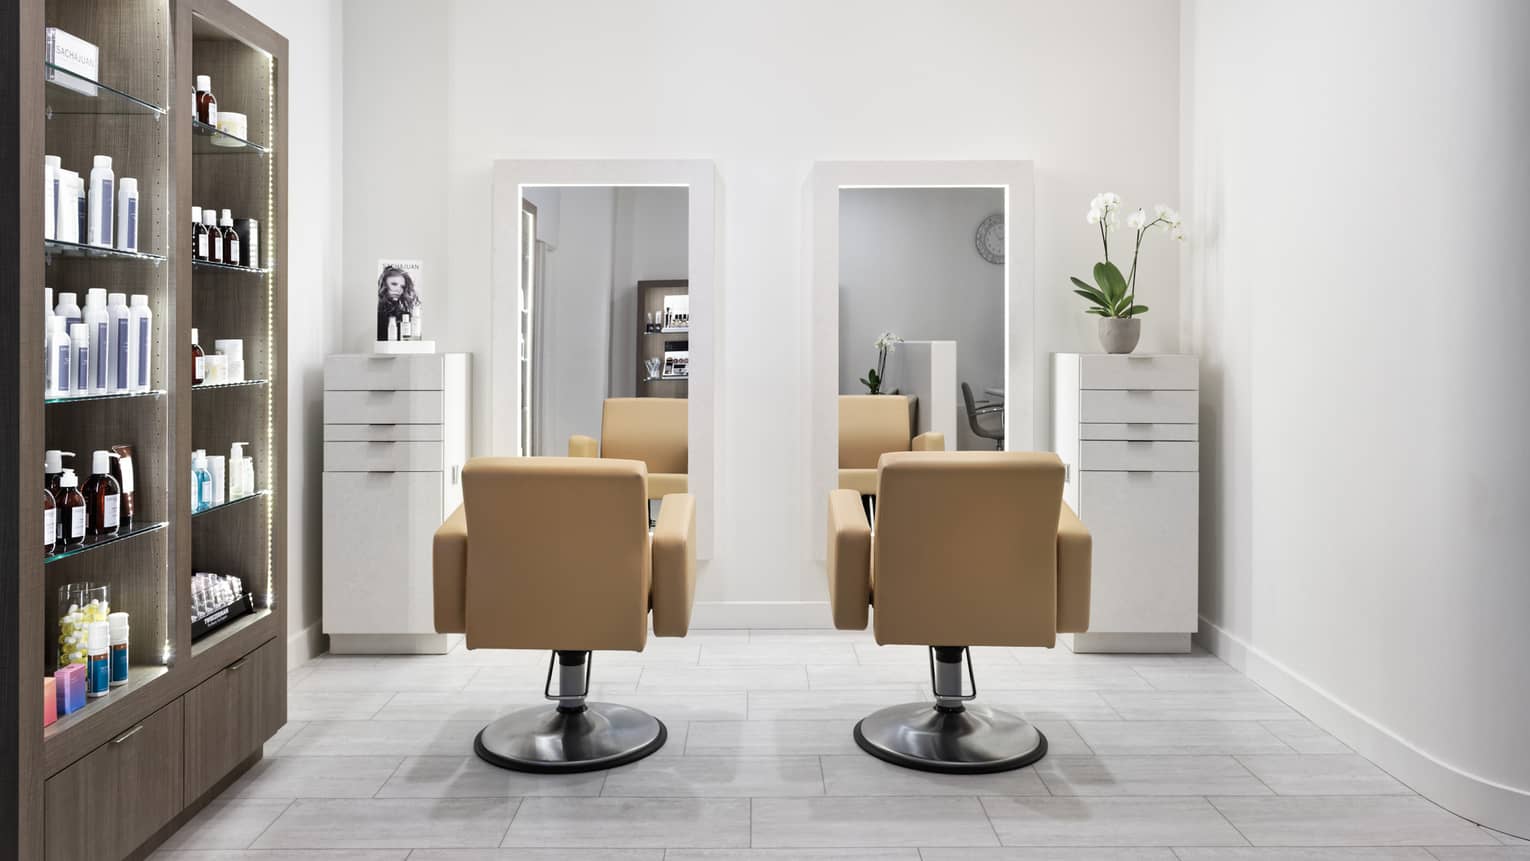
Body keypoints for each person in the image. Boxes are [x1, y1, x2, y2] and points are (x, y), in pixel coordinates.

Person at [376, 265, 420, 340]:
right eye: (394, 284)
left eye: (402, 287)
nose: (399, 290)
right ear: (384, 285)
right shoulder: (377, 312)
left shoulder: (404, 315)